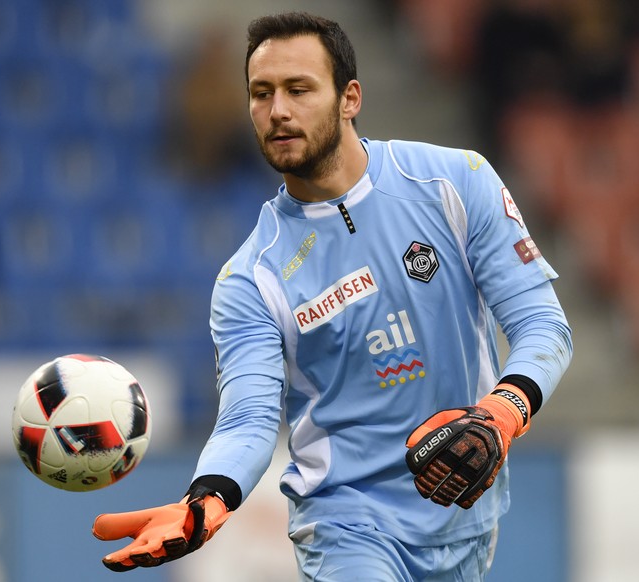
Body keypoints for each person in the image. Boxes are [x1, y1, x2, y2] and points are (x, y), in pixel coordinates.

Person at [92, 11, 572, 581]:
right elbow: (248, 419)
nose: (278, 111)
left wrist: (500, 414)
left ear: (350, 98)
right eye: (261, 94)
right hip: (347, 524)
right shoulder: (251, 279)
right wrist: (207, 500)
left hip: (466, 519)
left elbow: (544, 326)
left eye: (299, 90)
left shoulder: (454, 183)